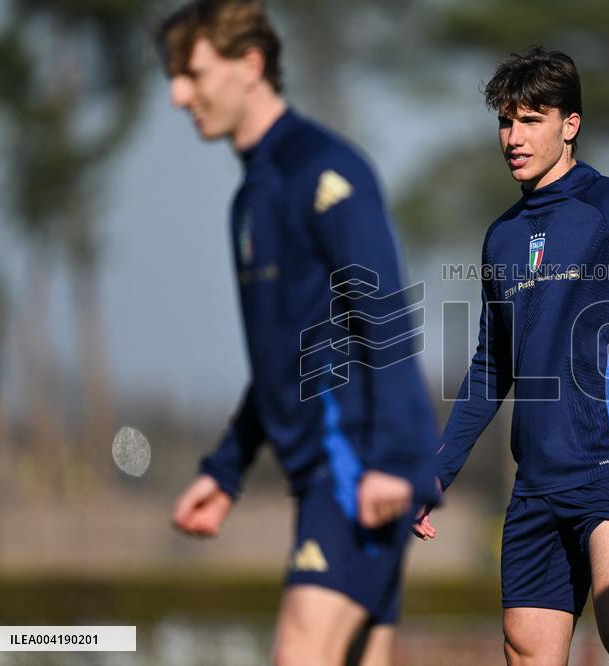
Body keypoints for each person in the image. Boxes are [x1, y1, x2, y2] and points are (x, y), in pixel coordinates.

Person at [414, 47, 609, 665]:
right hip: (535, 484)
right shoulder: (501, 236)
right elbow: (491, 367)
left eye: (531, 120)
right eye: (506, 121)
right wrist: (438, 471)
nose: (513, 137)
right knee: (526, 650)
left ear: (569, 125)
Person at [156, 2, 437, 665]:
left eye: (192, 73)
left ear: (249, 65)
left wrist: (395, 459)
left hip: (359, 471)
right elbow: (284, 358)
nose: (177, 95)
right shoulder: (250, 200)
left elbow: (384, 313)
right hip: (327, 478)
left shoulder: (326, 171)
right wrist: (228, 468)